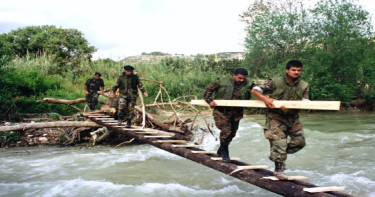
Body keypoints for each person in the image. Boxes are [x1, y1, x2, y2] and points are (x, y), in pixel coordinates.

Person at [251, 60, 309, 180]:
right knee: (280, 143)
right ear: (287, 70)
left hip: (293, 117)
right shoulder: (275, 82)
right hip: (275, 117)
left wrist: (297, 105)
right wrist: (265, 99)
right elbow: (255, 90)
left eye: (299, 70)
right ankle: (279, 168)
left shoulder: (304, 85)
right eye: (293, 70)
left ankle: (277, 154)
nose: (296, 72)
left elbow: (305, 101)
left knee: (300, 142)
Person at [204, 68, 253, 162]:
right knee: (226, 131)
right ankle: (225, 152)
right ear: (233, 75)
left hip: (236, 112)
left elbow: (258, 90)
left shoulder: (249, 83)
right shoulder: (222, 81)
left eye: (244, 78)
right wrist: (209, 101)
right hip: (222, 111)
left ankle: (221, 149)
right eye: (239, 78)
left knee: (232, 133)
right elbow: (208, 90)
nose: (242, 80)